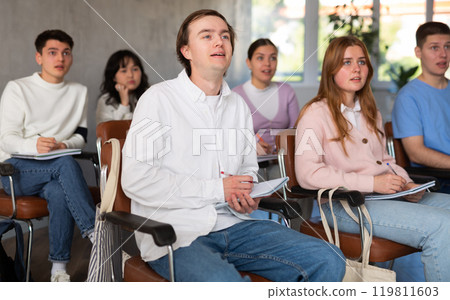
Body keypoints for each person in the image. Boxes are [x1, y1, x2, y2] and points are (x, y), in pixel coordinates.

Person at [121, 9, 345, 282]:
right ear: (186, 51)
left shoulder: (237, 105)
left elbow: (248, 167)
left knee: (330, 258)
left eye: (225, 36)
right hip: (178, 233)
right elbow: (136, 179)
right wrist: (218, 189)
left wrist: (245, 191)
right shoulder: (157, 99)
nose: (219, 42)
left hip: (236, 225)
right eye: (207, 36)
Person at [295, 35, 450, 282]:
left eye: (361, 62)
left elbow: (385, 161)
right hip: (345, 205)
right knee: (443, 226)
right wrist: (372, 184)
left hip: (383, 197)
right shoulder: (314, 114)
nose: (356, 68)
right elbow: (307, 174)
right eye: (346, 62)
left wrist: (406, 184)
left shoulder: (369, 111)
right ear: (331, 69)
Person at [0, 29, 96, 282]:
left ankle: (58, 271)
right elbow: (6, 138)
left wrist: (64, 144)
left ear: (71, 57)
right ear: (39, 57)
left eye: (66, 53)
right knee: (64, 165)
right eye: (52, 52)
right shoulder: (18, 88)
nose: (60, 58)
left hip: (55, 168)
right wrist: (35, 146)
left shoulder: (79, 91)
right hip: (15, 170)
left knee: (58, 190)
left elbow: (81, 134)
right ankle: (97, 233)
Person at [392, 21, 450, 193]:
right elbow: (416, 153)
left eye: (447, 46)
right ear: (418, 52)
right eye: (434, 48)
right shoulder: (408, 97)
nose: (443, 54)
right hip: (438, 180)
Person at [233, 38, 299, 155]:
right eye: (260, 58)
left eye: (273, 58)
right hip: (250, 163)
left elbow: (296, 131)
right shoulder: (236, 95)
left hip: (283, 162)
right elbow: (231, 136)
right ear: (248, 63)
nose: (267, 64)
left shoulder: (287, 91)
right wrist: (251, 144)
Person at [96, 49, 150, 125]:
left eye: (135, 69)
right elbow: (112, 131)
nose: (130, 75)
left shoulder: (149, 96)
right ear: (113, 76)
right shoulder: (106, 100)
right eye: (124, 71)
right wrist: (124, 104)